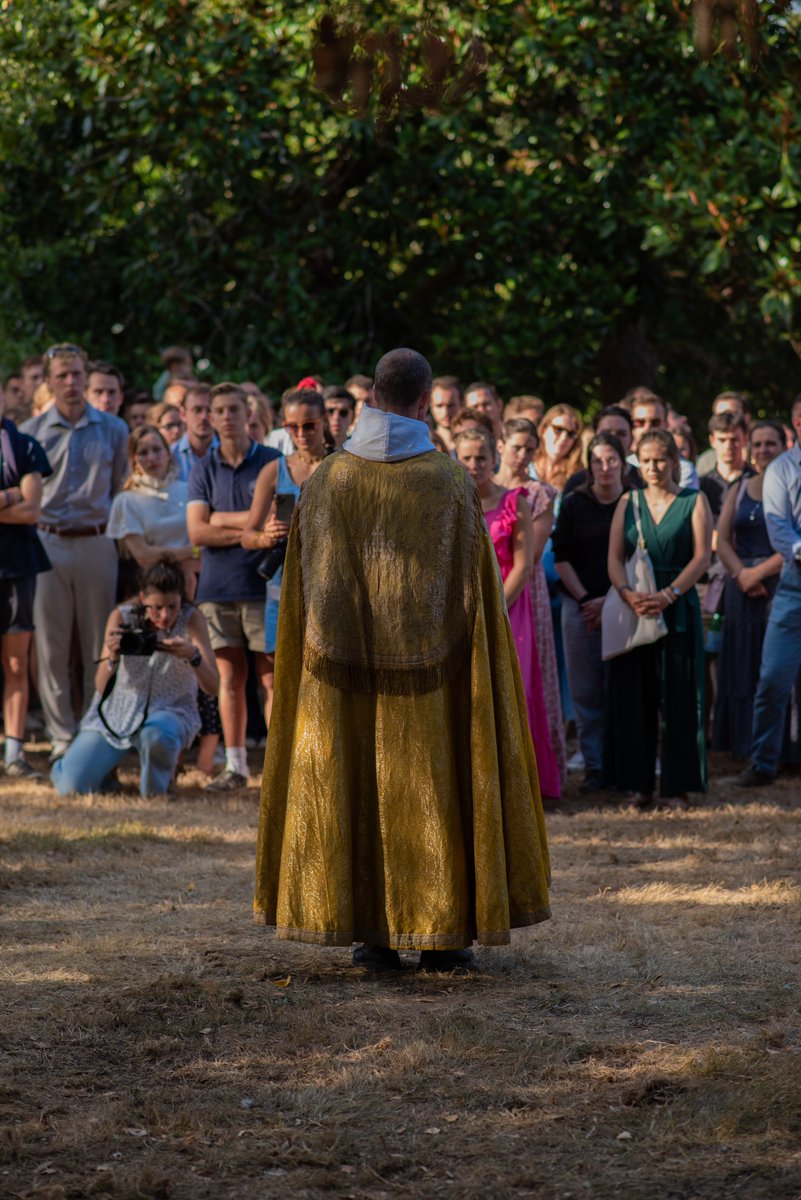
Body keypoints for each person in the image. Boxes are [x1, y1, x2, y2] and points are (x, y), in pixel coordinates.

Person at [254, 349, 550, 971]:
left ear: (371, 401)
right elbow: (478, 600)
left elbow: (303, 597)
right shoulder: (448, 482)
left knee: (356, 778)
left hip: (341, 678)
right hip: (435, 685)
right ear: (423, 403)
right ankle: (447, 933)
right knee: (433, 780)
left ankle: (370, 932)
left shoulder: (328, 481)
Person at [21, 344, 128, 760]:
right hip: (46, 540)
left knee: (99, 643)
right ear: (48, 381)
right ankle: (62, 737)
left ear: (86, 377)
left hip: (97, 540)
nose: (70, 383)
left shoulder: (114, 429)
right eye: (62, 376)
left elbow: (120, 486)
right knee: (52, 646)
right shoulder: (30, 431)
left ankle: (93, 729)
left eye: (77, 375)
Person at [605, 430, 712, 807]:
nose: (653, 467)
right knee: (636, 696)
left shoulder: (694, 501)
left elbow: (701, 558)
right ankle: (638, 785)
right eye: (645, 460)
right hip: (635, 606)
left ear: (674, 461)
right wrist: (627, 594)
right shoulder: (627, 501)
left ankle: (678, 786)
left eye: (660, 459)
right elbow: (615, 557)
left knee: (681, 696)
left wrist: (669, 595)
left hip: (678, 606)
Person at [51, 557, 218, 798]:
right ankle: (98, 774)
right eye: (156, 607)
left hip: (170, 712)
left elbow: (213, 687)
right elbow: (100, 687)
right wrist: (112, 656)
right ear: (142, 599)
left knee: (156, 734)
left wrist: (193, 656)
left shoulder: (192, 618)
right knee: (69, 788)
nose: (165, 615)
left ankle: (157, 788)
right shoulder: (121, 616)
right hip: (116, 714)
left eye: (173, 606)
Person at [456, 426, 561, 798]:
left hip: (508, 606)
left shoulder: (517, 501)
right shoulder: (453, 501)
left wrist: (495, 603)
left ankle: (516, 785)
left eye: (480, 458)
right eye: (466, 458)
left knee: (513, 689)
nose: (474, 465)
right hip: (462, 607)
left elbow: (524, 565)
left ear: (493, 457)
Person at [187, 382, 280, 791]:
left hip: (264, 584)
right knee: (229, 677)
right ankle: (236, 766)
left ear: (248, 414)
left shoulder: (274, 462)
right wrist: (250, 523)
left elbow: (278, 523)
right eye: (216, 410)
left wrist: (222, 517)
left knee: (271, 678)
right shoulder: (203, 467)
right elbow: (196, 531)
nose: (224, 417)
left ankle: (278, 767)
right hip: (218, 587)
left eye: (232, 410)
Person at [242, 389, 330, 723]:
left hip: (327, 587)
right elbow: (247, 536)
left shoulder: (340, 467)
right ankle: (279, 766)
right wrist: (267, 536)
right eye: (293, 427)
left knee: (322, 678)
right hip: (280, 588)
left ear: (324, 424)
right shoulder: (274, 471)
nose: (301, 434)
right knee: (277, 680)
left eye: (309, 425)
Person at [714, 420, 794, 761]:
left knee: (774, 670)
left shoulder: (792, 485)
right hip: (740, 588)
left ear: (783, 446)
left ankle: (781, 750)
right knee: (741, 664)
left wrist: (758, 573)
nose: (763, 450)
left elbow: (792, 539)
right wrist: (742, 574)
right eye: (758, 444)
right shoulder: (738, 488)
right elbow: (722, 541)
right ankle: (743, 745)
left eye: (770, 444)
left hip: (780, 584)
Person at [553, 433, 627, 793]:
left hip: (623, 605)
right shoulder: (573, 503)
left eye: (612, 459)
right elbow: (561, 556)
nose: (605, 467)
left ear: (624, 463)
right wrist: (586, 600)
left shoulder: (634, 503)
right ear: (589, 465)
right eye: (597, 461)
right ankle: (595, 767)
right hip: (578, 607)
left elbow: (636, 558)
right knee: (585, 691)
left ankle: (621, 765)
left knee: (621, 689)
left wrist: (612, 599)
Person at [494, 417, 566, 786]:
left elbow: (532, 553)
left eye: (529, 448)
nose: (522, 455)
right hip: (488, 582)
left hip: (525, 590)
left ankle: (534, 772)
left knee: (528, 674)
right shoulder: (480, 489)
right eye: (516, 446)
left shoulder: (540, 494)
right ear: (500, 446)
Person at [734, 399, 801, 787]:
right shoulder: (782, 469)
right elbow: (779, 531)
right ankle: (763, 765)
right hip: (794, 586)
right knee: (773, 678)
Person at [0, 387, 52, 779]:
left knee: (17, 662)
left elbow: (33, 509)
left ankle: (14, 753)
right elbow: (21, 500)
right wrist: (11, 494)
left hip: (18, 567)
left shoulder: (25, 445)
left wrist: (16, 499)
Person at [628, 390, 699, 490]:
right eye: (640, 422)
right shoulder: (623, 465)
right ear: (632, 426)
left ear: (665, 425)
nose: (647, 428)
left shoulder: (684, 469)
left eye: (655, 422)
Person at [563, 406, 642, 495]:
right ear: (595, 436)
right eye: (606, 433)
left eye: (621, 434)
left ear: (631, 439)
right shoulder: (577, 482)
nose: (613, 439)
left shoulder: (643, 481)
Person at [698, 411, 751, 523]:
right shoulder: (702, 485)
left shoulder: (755, 483)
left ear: (745, 439)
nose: (728, 446)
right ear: (712, 441)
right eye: (722, 440)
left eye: (734, 440)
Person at [697, 392, 751, 476]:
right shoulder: (706, 462)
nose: (727, 420)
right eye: (721, 415)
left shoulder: (760, 451)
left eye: (733, 414)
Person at [172, 384, 217, 482]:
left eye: (209, 410)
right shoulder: (169, 456)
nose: (204, 417)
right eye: (197, 410)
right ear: (182, 414)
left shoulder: (229, 455)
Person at [534, 405, 583, 493]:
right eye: (558, 429)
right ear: (543, 430)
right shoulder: (524, 464)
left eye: (571, 434)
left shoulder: (578, 477)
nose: (564, 438)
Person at [430, 376, 462, 453]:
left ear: (461, 403)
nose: (445, 412)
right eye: (439, 406)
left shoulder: (476, 441)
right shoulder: (425, 445)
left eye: (451, 405)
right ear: (430, 405)